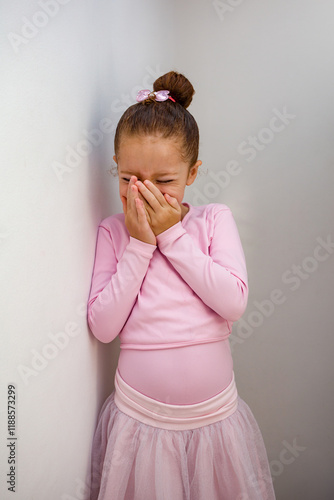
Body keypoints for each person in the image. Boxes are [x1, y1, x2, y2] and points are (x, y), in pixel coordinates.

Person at [87, 70, 276, 500]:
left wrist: (172, 236)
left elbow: (233, 302)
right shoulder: (113, 233)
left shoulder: (213, 220)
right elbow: (102, 326)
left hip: (215, 419)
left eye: (165, 181)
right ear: (115, 171)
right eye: (129, 180)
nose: (146, 194)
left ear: (192, 173)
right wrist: (138, 246)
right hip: (138, 418)